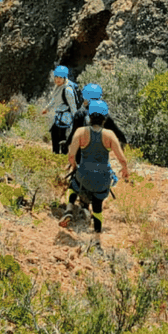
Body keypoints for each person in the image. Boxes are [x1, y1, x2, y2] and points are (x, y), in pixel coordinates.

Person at [60, 100, 130, 248]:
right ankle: (97, 237)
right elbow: (122, 159)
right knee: (98, 204)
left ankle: (69, 208)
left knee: (73, 184)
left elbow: (71, 156)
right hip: (102, 179)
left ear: (89, 116)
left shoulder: (81, 132)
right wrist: (125, 171)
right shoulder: (109, 135)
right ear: (104, 118)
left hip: (84, 176)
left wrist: (74, 167)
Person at [66, 83, 127, 166]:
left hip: (81, 160)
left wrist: (66, 144)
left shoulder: (79, 114)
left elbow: (73, 134)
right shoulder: (104, 116)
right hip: (100, 162)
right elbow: (118, 133)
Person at [41, 65, 77, 155]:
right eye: (56, 77)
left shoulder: (68, 90)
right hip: (59, 116)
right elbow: (54, 100)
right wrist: (47, 108)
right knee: (55, 134)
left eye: (60, 77)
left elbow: (73, 106)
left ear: (65, 78)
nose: (58, 79)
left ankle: (62, 156)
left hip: (66, 117)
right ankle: (56, 155)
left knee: (61, 138)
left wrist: (76, 120)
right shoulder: (58, 87)